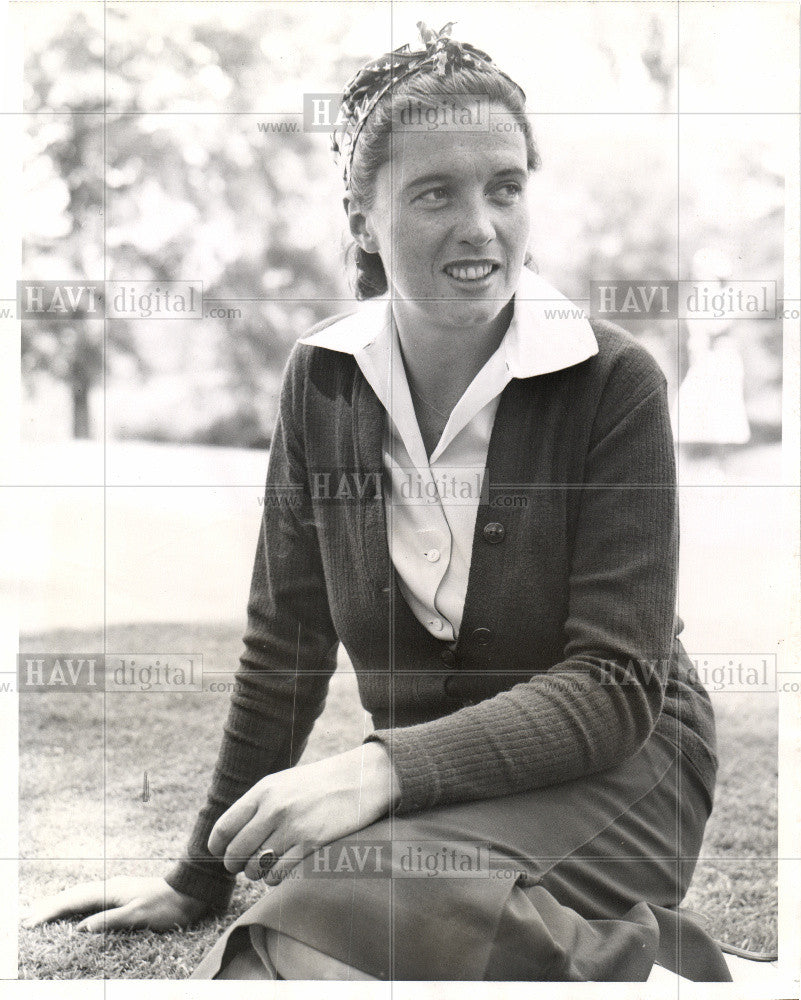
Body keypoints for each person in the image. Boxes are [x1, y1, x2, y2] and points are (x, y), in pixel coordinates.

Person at [22, 23, 728, 981]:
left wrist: (378, 769)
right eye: (435, 192)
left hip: (622, 771)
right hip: (444, 784)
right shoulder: (322, 379)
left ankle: (675, 968)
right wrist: (196, 877)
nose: (480, 226)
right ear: (360, 216)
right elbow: (288, 640)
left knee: (319, 922)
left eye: (505, 187)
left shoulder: (611, 382)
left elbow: (613, 685)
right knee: (310, 913)